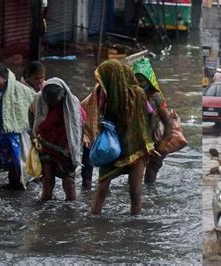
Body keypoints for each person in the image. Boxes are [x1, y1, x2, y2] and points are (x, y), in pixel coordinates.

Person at [90, 59, 155, 215]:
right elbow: (151, 115)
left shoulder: (133, 94)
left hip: (119, 147)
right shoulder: (108, 93)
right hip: (126, 147)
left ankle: (95, 221)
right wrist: (147, 138)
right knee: (133, 190)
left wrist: (147, 140)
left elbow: (150, 113)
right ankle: (132, 222)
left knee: (108, 189)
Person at [0, 63, 36, 189]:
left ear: (5, 77)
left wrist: (34, 134)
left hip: (14, 139)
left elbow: (35, 109)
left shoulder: (22, 90)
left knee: (16, 181)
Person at [29, 78, 82, 201]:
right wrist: (33, 134)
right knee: (47, 180)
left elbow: (79, 127)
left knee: (69, 182)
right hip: (45, 144)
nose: (52, 104)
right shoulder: (39, 99)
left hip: (66, 147)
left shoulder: (72, 102)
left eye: (55, 102)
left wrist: (77, 150)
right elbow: (31, 113)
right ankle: (45, 211)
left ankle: (71, 211)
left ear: (62, 95)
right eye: (50, 102)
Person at [132, 57, 173, 184]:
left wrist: (161, 146)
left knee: (151, 173)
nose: (139, 85)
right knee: (134, 177)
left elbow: (169, 124)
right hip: (135, 143)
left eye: (142, 81)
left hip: (154, 143)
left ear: (149, 82)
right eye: (136, 81)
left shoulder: (156, 98)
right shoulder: (129, 97)